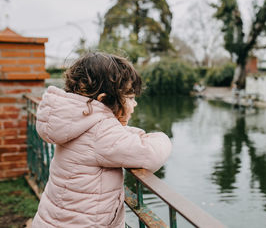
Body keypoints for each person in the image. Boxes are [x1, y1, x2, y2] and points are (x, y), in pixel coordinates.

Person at [31, 52, 172, 228]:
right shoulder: (101, 132)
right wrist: (163, 137)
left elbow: (112, 136)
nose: (135, 104)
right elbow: (149, 155)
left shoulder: (78, 122)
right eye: (130, 98)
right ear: (104, 100)